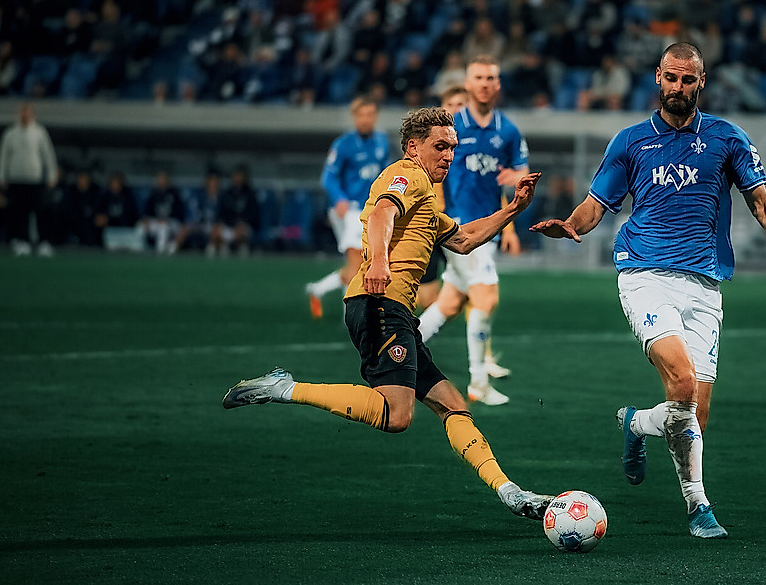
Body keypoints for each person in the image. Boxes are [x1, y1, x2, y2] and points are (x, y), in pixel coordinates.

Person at [531, 42, 766, 539]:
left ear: (701, 82)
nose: (678, 88)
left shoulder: (727, 138)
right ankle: (697, 505)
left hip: (705, 282)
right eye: (670, 78)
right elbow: (596, 205)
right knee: (682, 386)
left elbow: (761, 200)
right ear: (657, 78)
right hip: (644, 275)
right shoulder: (631, 141)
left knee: (695, 416)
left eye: (688, 80)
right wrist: (570, 226)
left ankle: (637, 423)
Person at [223, 106, 552, 524]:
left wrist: (513, 210)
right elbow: (382, 213)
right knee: (398, 416)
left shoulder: (427, 204)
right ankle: (283, 388)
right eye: (440, 146)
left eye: (453, 146)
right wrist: (378, 260)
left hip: (395, 312)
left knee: (453, 405)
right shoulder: (407, 175)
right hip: (379, 304)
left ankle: (509, 492)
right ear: (414, 147)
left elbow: (466, 238)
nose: (449, 155)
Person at [416, 56, 530, 406]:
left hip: (489, 231)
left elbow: (521, 176)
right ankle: (478, 381)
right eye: (477, 77)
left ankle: (397, 349)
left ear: (498, 85)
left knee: (449, 303)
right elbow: (427, 169)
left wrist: (516, 180)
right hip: (459, 229)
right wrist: (436, 217)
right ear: (467, 84)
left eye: (490, 78)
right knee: (486, 298)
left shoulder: (508, 131)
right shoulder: (450, 127)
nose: (484, 83)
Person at [306, 96, 391, 318]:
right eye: (361, 115)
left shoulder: (381, 141)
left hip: (371, 210)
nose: (365, 120)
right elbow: (328, 177)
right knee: (360, 262)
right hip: (349, 211)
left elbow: (385, 173)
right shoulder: (343, 145)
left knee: (363, 263)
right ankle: (353, 316)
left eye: (370, 115)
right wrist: (340, 198)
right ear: (355, 117)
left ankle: (318, 290)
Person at [417, 85, 470, 310]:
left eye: (461, 105)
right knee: (427, 296)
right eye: (451, 105)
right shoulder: (428, 142)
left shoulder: (477, 143)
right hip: (431, 222)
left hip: (462, 224)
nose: (456, 110)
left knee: (473, 289)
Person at [0, 103, 59, 256]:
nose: (24, 115)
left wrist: (52, 174)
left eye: (27, 113)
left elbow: (48, 155)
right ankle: (21, 241)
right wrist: (1, 176)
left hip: (35, 180)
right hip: (16, 180)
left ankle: (44, 242)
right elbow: (3, 156)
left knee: (41, 211)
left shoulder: (39, 132)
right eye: (22, 113)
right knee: (19, 213)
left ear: (33, 115)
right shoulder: (10, 133)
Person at [139, 170, 185, 254]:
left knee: (163, 227)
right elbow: (147, 213)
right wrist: (146, 221)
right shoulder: (153, 195)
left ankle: (161, 252)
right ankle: (138, 251)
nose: (162, 181)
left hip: (171, 222)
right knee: (140, 228)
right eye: (160, 179)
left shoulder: (174, 194)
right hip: (156, 222)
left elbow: (179, 213)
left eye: (164, 179)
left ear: (168, 181)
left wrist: (166, 219)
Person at [219, 165, 261, 255]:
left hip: (245, 227)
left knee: (242, 230)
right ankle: (224, 246)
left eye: (240, 176)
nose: (238, 178)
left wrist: (243, 222)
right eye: (236, 176)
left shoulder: (250, 194)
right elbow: (223, 213)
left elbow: (253, 214)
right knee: (218, 230)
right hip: (230, 226)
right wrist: (233, 223)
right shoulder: (227, 194)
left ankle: (242, 246)